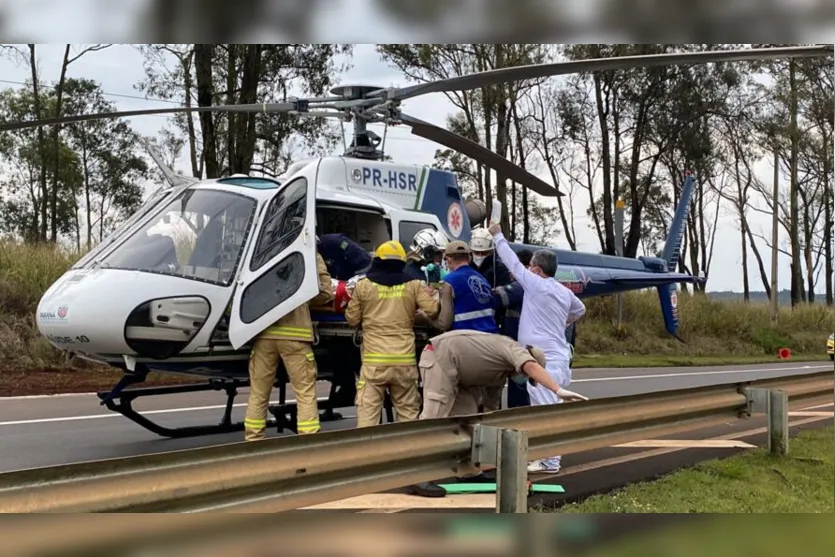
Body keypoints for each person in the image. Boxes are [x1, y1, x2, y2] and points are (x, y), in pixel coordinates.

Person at [407, 329, 589, 498]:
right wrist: (558, 391)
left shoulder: (500, 374)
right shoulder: (513, 348)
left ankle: (469, 472)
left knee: (469, 422)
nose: (525, 379)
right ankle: (418, 476)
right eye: (528, 377)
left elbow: (489, 412)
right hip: (441, 356)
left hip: (462, 377)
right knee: (434, 418)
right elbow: (530, 365)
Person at [489, 221, 586, 474]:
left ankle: (549, 461)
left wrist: (498, 235)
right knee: (551, 410)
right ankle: (549, 456)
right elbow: (580, 309)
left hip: (545, 361)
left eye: (531, 265)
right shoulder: (564, 292)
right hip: (561, 358)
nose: (528, 268)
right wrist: (565, 321)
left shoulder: (534, 282)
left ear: (538, 269)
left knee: (544, 412)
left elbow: (511, 261)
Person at [344, 240, 441, 427]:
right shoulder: (413, 285)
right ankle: (408, 452)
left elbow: (352, 319)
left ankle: (368, 454)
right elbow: (433, 310)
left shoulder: (364, 286)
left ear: (378, 260)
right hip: (404, 361)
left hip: (374, 362)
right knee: (408, 414)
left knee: (368, 413)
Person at [244, 251, 334, 441]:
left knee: (258, 393)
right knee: (304, 392)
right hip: (296, 335)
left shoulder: (261, 253)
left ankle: (253, 441)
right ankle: (309, 440)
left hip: (264, 333)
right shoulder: (308, 253)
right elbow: (325, 292)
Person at [493, 248, 533, 408]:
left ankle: (517, 415)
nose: (510, 271)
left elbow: (497, 299)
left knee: (518, 383)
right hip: (521, 341)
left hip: (518, 343)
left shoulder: (520, 286)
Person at [442, 240, 500, 334]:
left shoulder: (449, 281)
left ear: (448, 259)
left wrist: (426, 318)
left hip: (466, 338)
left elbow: (444, 322)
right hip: (491, 336)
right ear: (469, 258)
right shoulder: (483, 280)